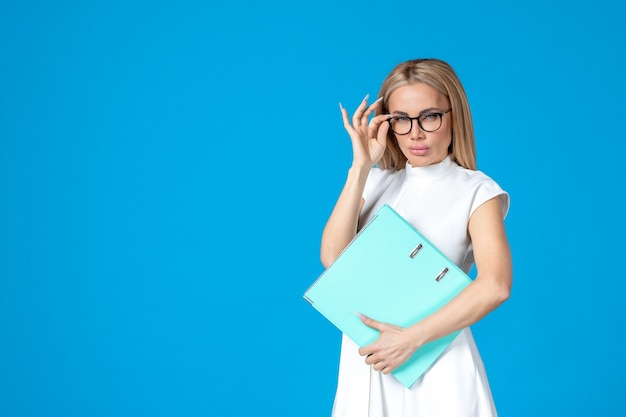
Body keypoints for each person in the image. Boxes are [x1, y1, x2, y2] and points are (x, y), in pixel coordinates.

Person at [320, 58, 512, 417]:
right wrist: (360, 167)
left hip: (434, 359)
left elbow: (496, 285)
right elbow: (333, 260)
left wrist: (409, 340)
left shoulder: (477, 191)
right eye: (401, 120)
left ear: (453, 115)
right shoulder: (376, 181)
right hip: (371, 360)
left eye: (429, 116)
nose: (416, 133)